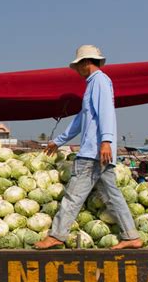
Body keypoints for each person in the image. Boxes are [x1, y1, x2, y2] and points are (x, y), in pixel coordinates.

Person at [35, 45, 142, 250]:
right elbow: (81, 120)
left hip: (93, 152)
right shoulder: (93, 84)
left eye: (78, 66)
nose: (76, 70)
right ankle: (131, 236)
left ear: (86, 63)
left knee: (73, 196)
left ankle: (57, 234)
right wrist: (59, 141)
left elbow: (106, 112)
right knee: (112, 195)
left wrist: (106, 141)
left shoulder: (100, 81)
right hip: (97, 151)